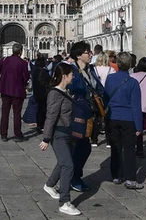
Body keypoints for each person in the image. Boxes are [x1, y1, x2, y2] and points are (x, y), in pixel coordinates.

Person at [40, 62, 82, 217]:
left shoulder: (66, 91)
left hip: (67, 132)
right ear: (64, 76)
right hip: (58, 133)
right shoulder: (55, 94)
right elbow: (51, 116)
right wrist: (46, 138)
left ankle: (50, 185)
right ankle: (64, 202)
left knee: (63, 162)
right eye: (71, 74)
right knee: (68, 165)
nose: (73, 76)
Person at [68, 41, 103, 192]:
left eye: (90, 52)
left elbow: (99, 87)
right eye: (87, 52)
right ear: (78, 55)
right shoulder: (72, 71)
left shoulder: (91, 70)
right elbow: (73, 88)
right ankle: (72, 178)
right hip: (76, 113)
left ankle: (75, 176)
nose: (90, 54)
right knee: (79, 147)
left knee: (85, 147)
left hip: (90, 112)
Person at [105, 52, 144, 189]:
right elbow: (136, 106)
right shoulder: (133, 83)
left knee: (115, 148)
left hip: (112, 117)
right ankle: (130, 178)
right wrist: (139, 126)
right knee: (128, 149)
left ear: (118, 64)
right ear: (130, 65)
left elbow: (106, 97)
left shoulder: (110, 79)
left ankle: (116, 175)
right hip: (128, 119)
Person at [0, 43, 31, 141]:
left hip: (5, 90)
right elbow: (26, 77)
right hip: (17, 91)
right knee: (17, 113)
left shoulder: (5, 60)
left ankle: (3, 135)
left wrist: (3, 71)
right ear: (21, 51)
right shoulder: (23, 63)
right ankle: (18, 134)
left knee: (4, 113)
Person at [31, 54, 51, 132]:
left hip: (37, 92)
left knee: (40, 109)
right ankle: (42, 125)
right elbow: (48, 81)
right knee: (43, 109)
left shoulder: (35, 71)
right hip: (43, 93)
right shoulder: (43, 71)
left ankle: (39, 125)